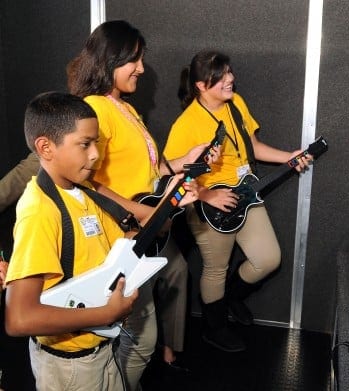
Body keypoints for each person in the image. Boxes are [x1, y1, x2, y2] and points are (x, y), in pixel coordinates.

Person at [66, 21, 216, 388]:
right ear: (108, 60)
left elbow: (150, 170)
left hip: (145, 228)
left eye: (142, 59)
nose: (142, 68)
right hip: (121, 233)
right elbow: (84, 179)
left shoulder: (125, 108)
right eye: (134, 59)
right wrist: (138, 212)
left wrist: (185, 161)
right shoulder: (96, 109)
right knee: (139, 337)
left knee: (149, 319)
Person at [4, 91, 162, 390]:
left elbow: (116, 243)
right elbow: (19, 318)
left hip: (100, 352)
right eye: (85, 144)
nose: (96, 155)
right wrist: (109, 313)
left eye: (97, 143)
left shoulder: (84, 190)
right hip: (69, 369)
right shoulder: (39, 210)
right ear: (45, 148)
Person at [163, 49, 311, 352]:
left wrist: (288, 157)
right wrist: (206, 194)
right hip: (208, 204)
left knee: (269, 258)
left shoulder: (236, 103)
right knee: (215, 268)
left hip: (244, 192)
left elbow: (251, 147)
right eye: (221, 77)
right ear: (202, 86)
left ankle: (230, 298)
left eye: (229, 71)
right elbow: (168, 174)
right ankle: (213, 327)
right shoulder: (186, 123)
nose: (231, 79)